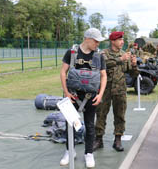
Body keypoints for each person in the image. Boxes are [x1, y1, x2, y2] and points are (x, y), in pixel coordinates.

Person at [59, 28, 107, 167]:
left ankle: (89, 153)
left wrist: (100, 94)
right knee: (71, 125)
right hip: (72, 96)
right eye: (96, 41)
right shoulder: (72, 53)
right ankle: (70, 151)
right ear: (87, 39)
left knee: (90, 126)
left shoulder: (98, 56)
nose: (98, 44)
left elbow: (104, 76)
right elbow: (63, 72)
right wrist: (66, 93)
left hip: (91, 97)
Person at [93, 31, 139, 152]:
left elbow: (133, 74)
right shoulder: (103, 53)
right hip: (105, 90)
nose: (122, 42)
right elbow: (105, 64)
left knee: (120, 115)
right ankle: (98, 139)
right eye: (119, 39)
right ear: (112, 41)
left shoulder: (125, 55)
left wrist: (134, 65)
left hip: (120, 90)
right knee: (101, 114)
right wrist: (120, 59)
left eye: (122, 39)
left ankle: (117, 139)